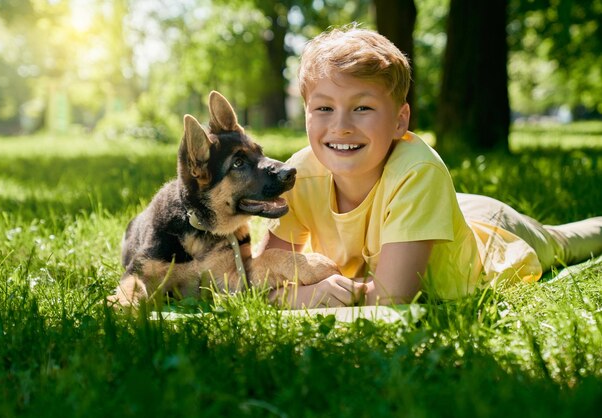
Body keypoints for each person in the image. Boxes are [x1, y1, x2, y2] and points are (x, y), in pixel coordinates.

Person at [258, 24, 602, 309]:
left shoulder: (418, 170)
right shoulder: (299, 173)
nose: (341, 126)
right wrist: (303, 293)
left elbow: (392, 298)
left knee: (563, 242)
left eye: (362, 108)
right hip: (433, 210)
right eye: (324, 109)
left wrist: (300, 297)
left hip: (493, 234)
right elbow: (258, 279)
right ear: (305, 115)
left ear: (399, 120)